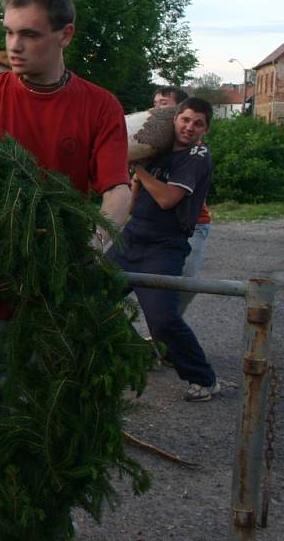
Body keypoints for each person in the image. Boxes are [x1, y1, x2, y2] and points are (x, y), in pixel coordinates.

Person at [0, 0, 132, 444]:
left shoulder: (100, 107)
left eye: (29, 34)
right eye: (9, 33)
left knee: (48, 438)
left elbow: (118, 190)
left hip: (57, 298)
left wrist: (92, 247)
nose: (14, 46)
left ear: (65, 35)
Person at [107, 97, 219, 402]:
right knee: (92, 296)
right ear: (175, 119)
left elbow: (168, 199)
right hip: (132, 238)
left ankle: (204, 379)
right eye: (185, 120)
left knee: (163, 320)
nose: (189, 127)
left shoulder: (198, 155)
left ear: (205, 130)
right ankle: (137, 354)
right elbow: (133, 199)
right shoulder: (157, 151)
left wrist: (140, 172)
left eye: (198, 123)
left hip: (164, 246)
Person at [153, 86, 210, 315]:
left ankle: (169, 337)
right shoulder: (157, 143)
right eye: (155, 102)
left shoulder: (195, 150)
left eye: (163, 103)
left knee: (182, 287)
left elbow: (167, 198)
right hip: (159, 225)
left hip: (192, 224)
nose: (157, 108)